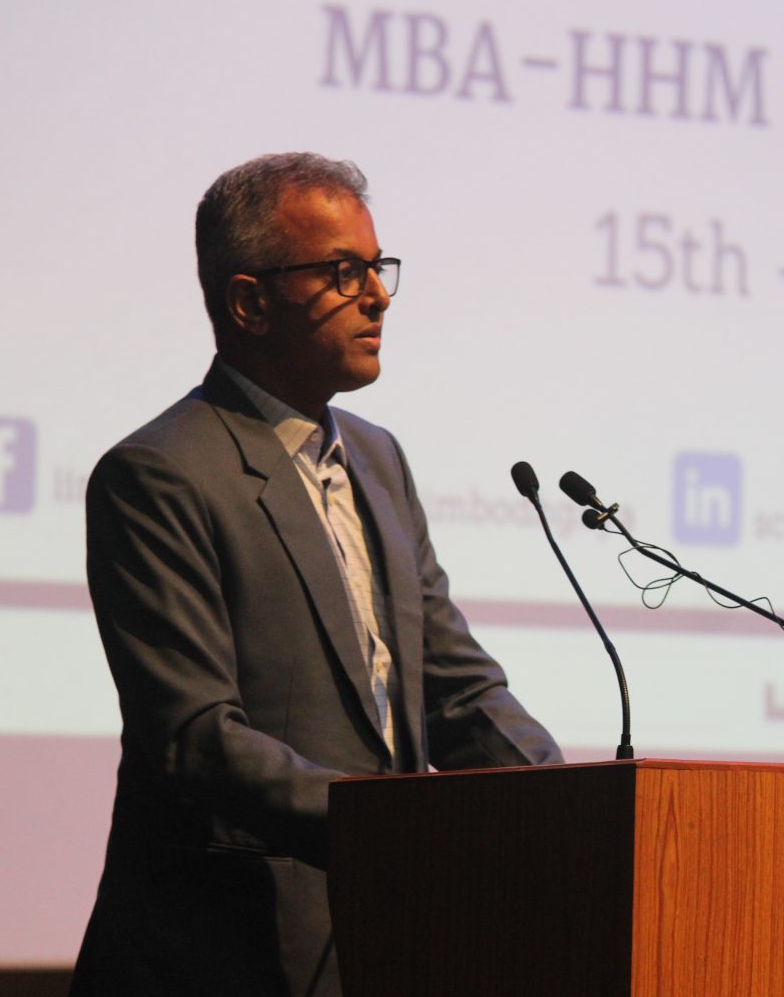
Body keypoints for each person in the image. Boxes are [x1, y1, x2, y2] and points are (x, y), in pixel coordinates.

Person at [70, 153, 562, 997]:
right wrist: (386, 831)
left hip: (385, 933)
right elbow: (195, 737)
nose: (377, 297)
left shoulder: (378, 459)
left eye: (378, 267)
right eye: (342, 272)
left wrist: (575, 803)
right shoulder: (159, 474)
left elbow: (455, 691)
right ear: (249, 303)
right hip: (226, 952)